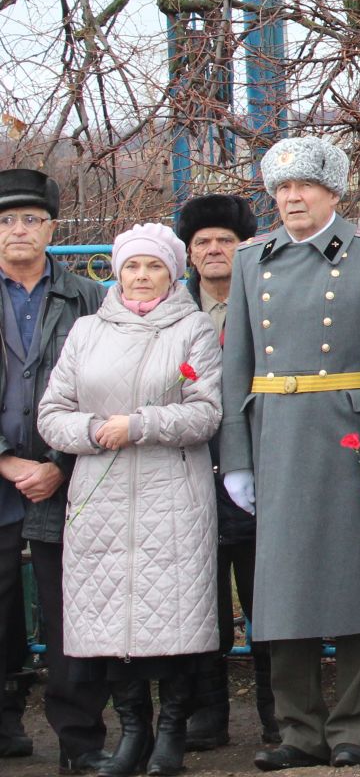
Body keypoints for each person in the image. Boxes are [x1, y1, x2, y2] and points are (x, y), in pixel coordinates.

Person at [219, 137, 360, 770]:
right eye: (281, 189)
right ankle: (298, 731)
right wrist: (238, 456)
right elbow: (236, 365)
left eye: (304, 187)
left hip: (349, 437)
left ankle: (356, 727)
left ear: (333, 191)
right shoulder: (253, 260)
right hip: (277, 435)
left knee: (355, 583)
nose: (292, 199)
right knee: (285, 591)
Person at [38, 224, 223, 777]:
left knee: (173, 615)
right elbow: (52, 413)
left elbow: (206, 411)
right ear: (117, 273)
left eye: (155, 268)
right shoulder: (87, 330)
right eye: (133, 267)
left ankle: (171, 731)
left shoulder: (191, 328)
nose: (143, 278)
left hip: (173, 488)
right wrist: (96, 432)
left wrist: (139, 425)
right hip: (102, 494)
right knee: (110, 620)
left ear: (172, 273)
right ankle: (132, 730)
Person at [0, 168, 110, 771]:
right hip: (2, 474)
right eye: (7, 221)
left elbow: (110, 388)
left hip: (67, 482)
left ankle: (80, 742)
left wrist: (59, 465)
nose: (20, 230)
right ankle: (5, 722)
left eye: (31, 220)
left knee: (73, 613)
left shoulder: (89, 298)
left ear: (52, 228)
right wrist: (7, 459)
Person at [174, 193, 279, 752]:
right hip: (189, 473)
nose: (214, 251)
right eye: (203, 243)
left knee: (267, 598)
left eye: (226, 242)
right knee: (200, 604)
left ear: (244, 251)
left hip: (258, 466)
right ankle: (206, 715)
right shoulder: (173, 312)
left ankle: (276, 715)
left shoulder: (265, 303)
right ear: (190, 255)